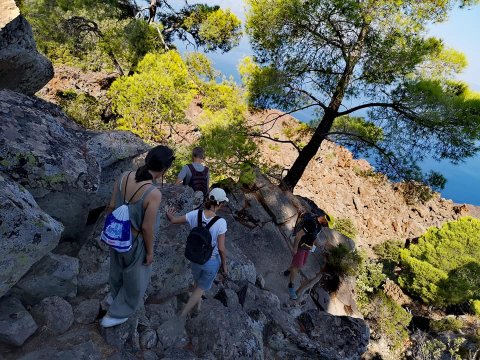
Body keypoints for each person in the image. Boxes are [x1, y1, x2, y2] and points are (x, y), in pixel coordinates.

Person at [100, 145, 175, 328]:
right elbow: (147, 228)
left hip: (116, 235)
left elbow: (110, 206)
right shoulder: (153, 193)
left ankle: (114, 296)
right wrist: (149, 252)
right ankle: (117, 312)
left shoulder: (124, 176)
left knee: (116, 269)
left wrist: (111, 230)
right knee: (135, 278)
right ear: (164, 169)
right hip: (135, 241)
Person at [166, 188, 228, 317]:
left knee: (196, 283)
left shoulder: (195, 214)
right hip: (210, 261)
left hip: (194, 257)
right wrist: (224, 266)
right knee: (201, 288)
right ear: (220, 204)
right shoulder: (221, 223)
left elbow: (173, 220)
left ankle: (197, 307)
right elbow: (221, 248)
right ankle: (182, 314)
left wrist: (170, 214)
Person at [284, 212, 334, 300]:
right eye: (327, 223)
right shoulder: (311, 223)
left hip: (308, 247)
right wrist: (295, 248)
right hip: (301, 246)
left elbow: (314, 237)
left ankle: (288, 270)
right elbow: (299, 235)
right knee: (298, 266)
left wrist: (312, 248)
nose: (327, 226)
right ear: (324, 219)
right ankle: (291, 286)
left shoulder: (319, 226)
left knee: (301, 263)